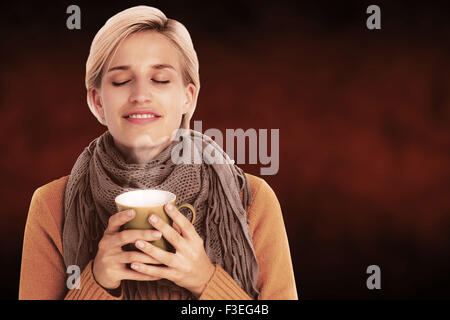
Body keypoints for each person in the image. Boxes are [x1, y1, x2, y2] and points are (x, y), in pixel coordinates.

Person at [19, 5, 297, 300]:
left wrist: (205, 280)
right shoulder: (51, 205)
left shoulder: (251, 200)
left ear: (187, 98)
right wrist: (96, 282)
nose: (140, 95)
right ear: (97, 101)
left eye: (161, 80)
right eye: (121, 81)